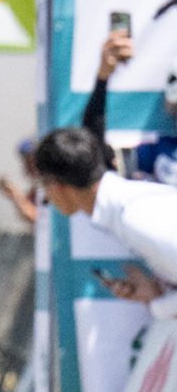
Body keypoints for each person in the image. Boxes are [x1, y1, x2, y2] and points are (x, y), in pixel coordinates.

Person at [33, 122, 177, 313]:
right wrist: (157, 292)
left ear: (56, 185)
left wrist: (159, 306)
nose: (46, 198)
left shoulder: (134, 217)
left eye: (43, 185)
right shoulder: (129, 207)